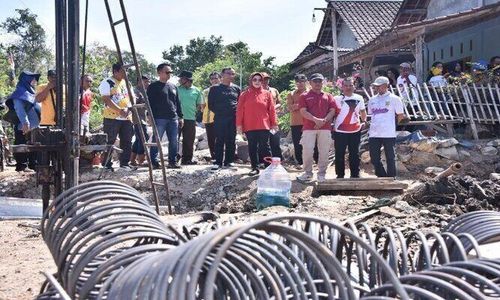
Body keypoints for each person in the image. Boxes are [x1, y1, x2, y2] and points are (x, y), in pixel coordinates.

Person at [297, 73, 337, 183]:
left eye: (320, 81)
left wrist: (323, 121)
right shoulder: (304, 96)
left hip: (325, 128)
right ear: (310, 83)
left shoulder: (328, 96)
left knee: (324, 151)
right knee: (307, 150)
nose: (318, 83)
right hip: (309, 128)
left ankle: (322, 174)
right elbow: (303, 111)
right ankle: (307, 173)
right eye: (315, 81)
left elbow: (332, 110)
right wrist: (316, 120)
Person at [236, 72, 278, 176]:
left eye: (260, 80)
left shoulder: (267, 94)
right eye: (255, 79)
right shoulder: (244, 94)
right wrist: (239, 125)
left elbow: (272, 110)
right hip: (249, 125)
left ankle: (269, 167)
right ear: (251, 81)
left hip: (264, 125)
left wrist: (274, 123)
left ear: (262, 81)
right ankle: (254, 167)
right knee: (252, 146)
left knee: (265, 146)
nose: (257, 82)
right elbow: (239, 110)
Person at [367, 76, 406, 178]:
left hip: (388, 133)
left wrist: (394, 126)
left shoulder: (395, 99)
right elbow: (371, 114)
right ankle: (382, 177)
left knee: (390, 157)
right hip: (374, 133)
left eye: (379, 86)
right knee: (374, 158)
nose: (377, 88)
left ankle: (392, 178)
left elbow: (400, 115)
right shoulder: (372, 100)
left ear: (386, 86)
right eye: (376, 86)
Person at [147, 63, 183, 169]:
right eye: (167, 72)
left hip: (173, 118)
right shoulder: (153, 86)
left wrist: (180, 116)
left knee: (174, 140)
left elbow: (177, 102)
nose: (169, 74)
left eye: (170, 72)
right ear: (159, 72)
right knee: (157, 140)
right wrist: (149, 116)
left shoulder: (173, 86)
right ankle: (154, 162)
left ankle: (172, 161)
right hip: (159, 118)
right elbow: (149, 103)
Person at [98, 62, 134, 169]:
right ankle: (107, 164)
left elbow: (132, 97)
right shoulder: (107, 82)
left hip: (127, 117)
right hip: (111, 117)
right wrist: (119, 110)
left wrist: (128, 108)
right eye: (123, 71)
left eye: (126, 71)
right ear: (116, 71)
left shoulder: (127, 83)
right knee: (110, 141)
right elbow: (106, 99)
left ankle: (124, 163)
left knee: (127, 140)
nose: (125, 73)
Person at [208, 67, 241, 170]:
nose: (231, 75)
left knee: (231, 140)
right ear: (222, 75)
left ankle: (229, 161)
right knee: (219, 140)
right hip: (220, 118)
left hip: (233, 118)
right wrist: (220, 112)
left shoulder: (237, 88)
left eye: (233, 74)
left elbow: (240, 104)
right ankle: (218, 162)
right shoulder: (214, 88)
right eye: (229, 73)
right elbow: (210, 105)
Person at [333, 77, 367, 179]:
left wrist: (364, 121)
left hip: (355, 130)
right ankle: (340, 175)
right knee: (339, 153)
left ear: (354, 86)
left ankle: (355, 175)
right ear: (342, 87)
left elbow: (363, 111)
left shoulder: (359, 98)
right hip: (340, 130)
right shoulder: (336, 99)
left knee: (355, 153)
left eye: (350, 85)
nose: (348, 87)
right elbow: (332, 113)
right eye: (346, 85)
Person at [8, 71, 41, 172]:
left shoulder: (30, 92)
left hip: (33, 126)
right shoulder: (20, 92)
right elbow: (19, 108)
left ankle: (32, 165)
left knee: (32, 145)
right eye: (32, 78)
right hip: (24, 126)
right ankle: (22, 166)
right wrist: (25, 123)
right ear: (26, 79)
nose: (34, 81)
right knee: (22, 145)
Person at [177, 70, 203, 165]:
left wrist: (195, 114)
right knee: (175, 139)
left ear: (187, 79)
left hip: (191, 119)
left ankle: (187, 159)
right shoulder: (177, 89)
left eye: (181, 78)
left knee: (189, 140)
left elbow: (199, 105)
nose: (179, 80)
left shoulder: (196, 90)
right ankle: (174, 159)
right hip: (177, 118)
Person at [287, 74, 308, 166]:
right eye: (298, 82)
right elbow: (290, 107)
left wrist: (297, 105)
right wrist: (303, 105)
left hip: (308, 122)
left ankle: (310, 162)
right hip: (295, 123)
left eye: (302, 81)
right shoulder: (291, 94)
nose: (300, 84)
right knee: (297, 143)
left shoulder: (311, 93)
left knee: (309, 143)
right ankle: (300, 162)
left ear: (306, 82)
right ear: (295, 83)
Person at [130, 75, 150, 166]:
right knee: (143, 137)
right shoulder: (135, 92)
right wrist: (144, 104)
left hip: (142, 118)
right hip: (136, 118)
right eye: (145, 82)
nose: (147, 84)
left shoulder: (144, 92)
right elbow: (133, 104)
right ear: (139, 82)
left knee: (139, 139)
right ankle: (141, 160)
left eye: (147, 82)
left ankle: (132, 159)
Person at [261, 72, 282, 159]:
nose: (265, 81)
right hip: (262, 120)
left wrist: (273, 108)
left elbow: (280, 103)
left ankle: (278, 160)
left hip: (273, 119)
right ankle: (263, 161)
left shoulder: (274, 90)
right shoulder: (257, 91)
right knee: (263, 142)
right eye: (263, 79)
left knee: (275, 140)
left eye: (267, 79)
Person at [202, 72, 220, 160]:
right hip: (208, 118)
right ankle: (214, 157)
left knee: (221, 138)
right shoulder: (205, 92)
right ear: (210, 80)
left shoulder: (223, 90)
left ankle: (223, 157)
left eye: (216, 78)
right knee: (211, 139)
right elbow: (202, 105)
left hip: (221, 119)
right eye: (212, 78)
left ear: (220, 78)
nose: (214, 80)